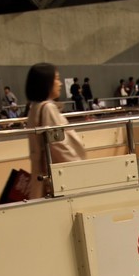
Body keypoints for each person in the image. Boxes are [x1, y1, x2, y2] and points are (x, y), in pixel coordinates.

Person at [25, 62, 87, 200]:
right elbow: (58, 145)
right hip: (59, 179)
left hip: (43, 176)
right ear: (46, 83)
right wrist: (79, 168)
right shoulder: (48, 108)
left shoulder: (34, 107)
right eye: (57, 79)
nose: (60, 83)